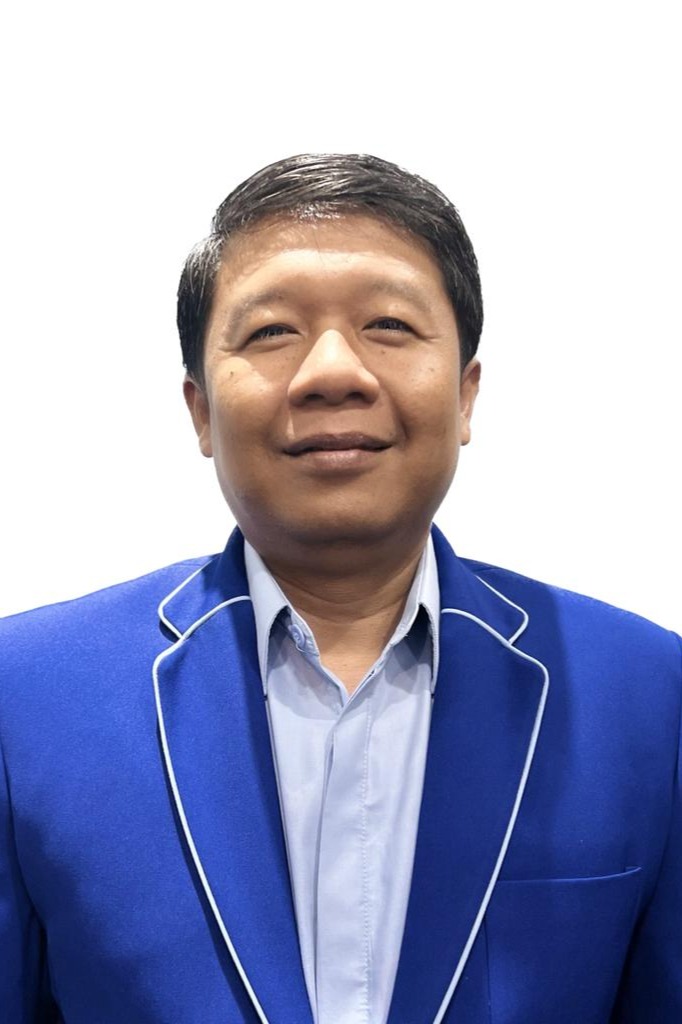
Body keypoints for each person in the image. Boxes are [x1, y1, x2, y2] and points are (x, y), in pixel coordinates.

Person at [0, 154, 679, 1024]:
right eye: (271, 332)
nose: (332, 371)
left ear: (467, 395)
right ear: (200, 409)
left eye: (388, 324)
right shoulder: (27, 699)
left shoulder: (648, 696)